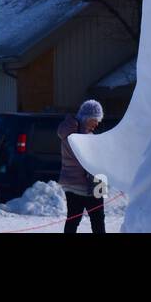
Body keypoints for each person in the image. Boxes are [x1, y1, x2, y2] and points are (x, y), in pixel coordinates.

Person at [57, 99, 106, 234]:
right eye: (95, 119)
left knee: (73, 219)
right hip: (88, 182)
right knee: (98, 220)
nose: (97, 124)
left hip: (72, 182)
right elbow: (90, 162)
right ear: (88, 117)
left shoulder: (69, 131)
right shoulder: (81, 136)